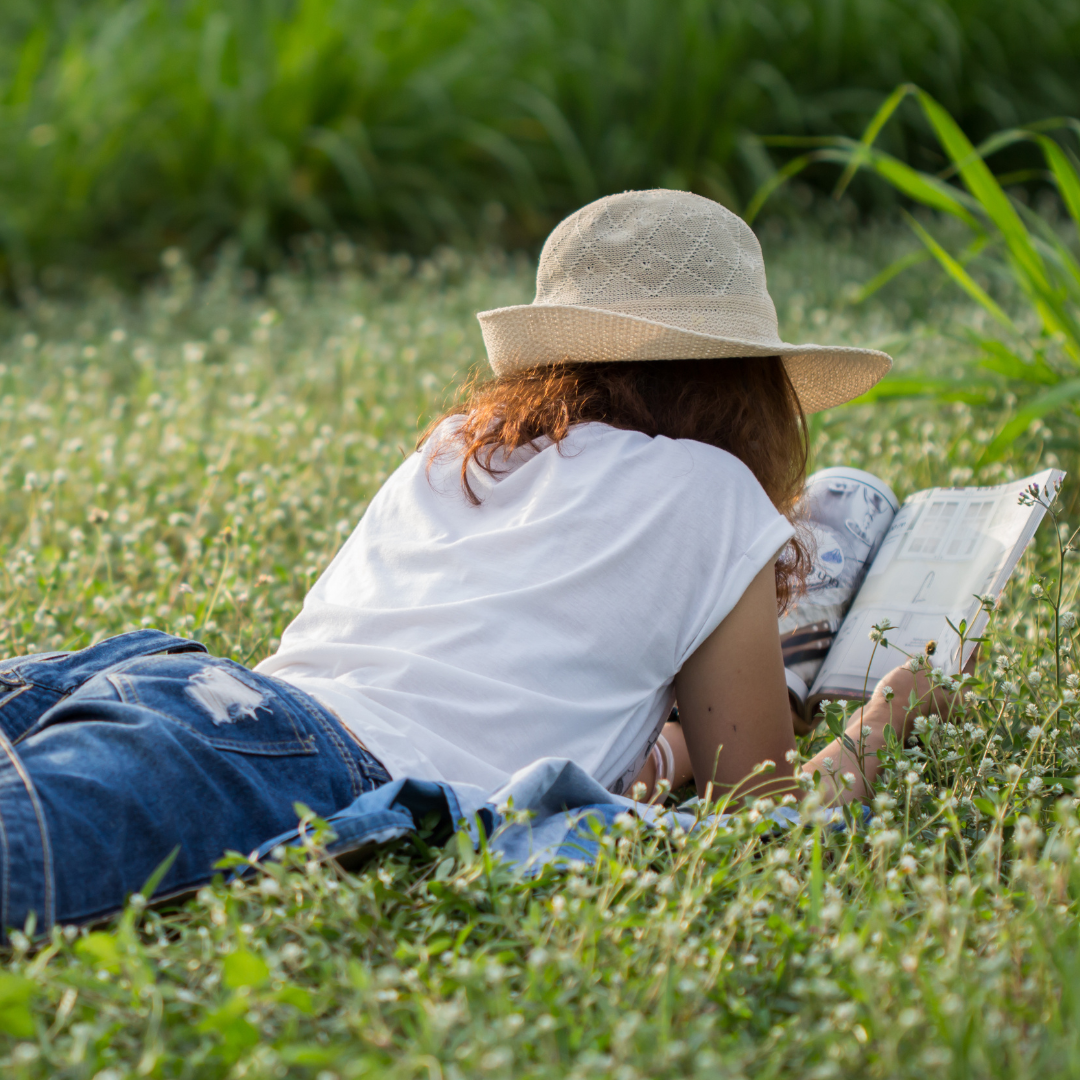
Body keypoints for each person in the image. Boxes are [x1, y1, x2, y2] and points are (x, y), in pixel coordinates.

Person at [0, 189, 944, 937]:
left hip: (176, 687)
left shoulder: (464, 446)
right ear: (754, 389)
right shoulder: (716, 494)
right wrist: (885, 718)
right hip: (297, 774)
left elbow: (501, 709)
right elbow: (765, 824)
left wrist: (674, 748)